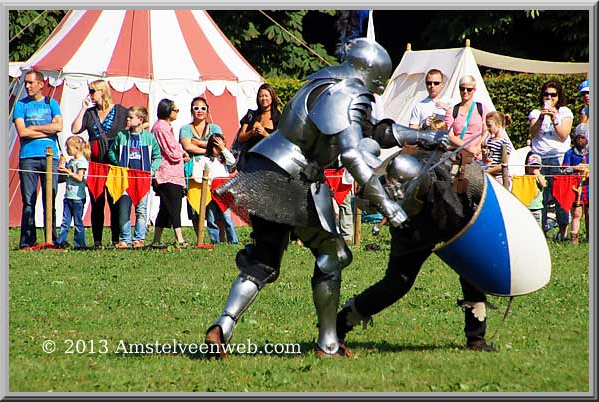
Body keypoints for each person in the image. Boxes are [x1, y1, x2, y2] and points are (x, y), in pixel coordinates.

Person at [205, 37, 448, 358]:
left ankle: (222, 326)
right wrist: (389, 206)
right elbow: (353, 154)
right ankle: (328, 343)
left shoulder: (322, 82)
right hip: (295, 176)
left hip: (265, 164)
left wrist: (425, 136)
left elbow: (373, 131)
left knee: (264, 261)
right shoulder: (348, 92)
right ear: (371, 71)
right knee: (331, 256)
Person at [336, 117, 496, 353]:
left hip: (450, 223)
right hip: (414, 231)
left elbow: (480, 197)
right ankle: (338, 325)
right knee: (396, 284)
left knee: (470, 274)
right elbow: (365, 199)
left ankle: (476, 340)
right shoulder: (401, 163)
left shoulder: (462, 164)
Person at [71, 79, 129, 248]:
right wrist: (83, 107)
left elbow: (140, 121)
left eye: (92, 91)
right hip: (95, 164)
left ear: (102, 92)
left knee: (115, 202)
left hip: (113, 164)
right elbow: (75, 129)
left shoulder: (120, 111)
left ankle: (116, 239)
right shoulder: (90, 113)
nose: (90, 94)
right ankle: (97, 241)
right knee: (97, 202)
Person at [13, 70, 63, 249]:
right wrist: (47, 129)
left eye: (31, 83)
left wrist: (35, 127)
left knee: (50, 197)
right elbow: (22, 131)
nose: (27, 86)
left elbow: (59, 126)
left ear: (41, 84)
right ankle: (27, 240)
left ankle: (52, 238)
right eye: (25, 83)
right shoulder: (20, 105)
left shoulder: (51, 103)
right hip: (28, 157)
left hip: (50, 156)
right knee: (29, 200)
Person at [108, 106, 162, 248]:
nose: (127, 119)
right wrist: (118, 164)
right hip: (125, 179)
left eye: (131, 117)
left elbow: (157, 156)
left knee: (141, 210)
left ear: (140, 120)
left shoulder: (149, 138)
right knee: (124, 210)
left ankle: (139, 238)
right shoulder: (122, 136)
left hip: (142, 179)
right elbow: (111, 153)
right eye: (128, 117)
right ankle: (125, 239)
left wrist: (152, 170)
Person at [528, 80, 573, 240]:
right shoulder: (535, 113)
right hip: (539, 159)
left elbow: (563, 135)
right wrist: (541, 117)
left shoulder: (564, 112)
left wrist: (554, 118)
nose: (549, 97)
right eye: (546, 94)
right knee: (540, 199)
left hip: (559, 158)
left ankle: (563, 232)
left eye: (553, 95)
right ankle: (541, 233)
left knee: (561, 197)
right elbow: (533, 133)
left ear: (558, 96)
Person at [179, 96, 223, 237]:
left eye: (203, 108)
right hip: (193, 172)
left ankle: (221, 237)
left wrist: (197, 143)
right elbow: (187, 146)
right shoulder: (185, 128)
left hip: (213, 170)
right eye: (196, 108)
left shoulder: (215, 127)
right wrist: (208, 149)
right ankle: (200, 238)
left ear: (207, 111)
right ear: (191, 111)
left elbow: (219, 146)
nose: (199, 111)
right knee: (194, 207)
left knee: (215, 206)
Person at [150, 99, 190, 247]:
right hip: (168, 174)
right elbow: (171, 152)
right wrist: (182, 154)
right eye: (175, 109)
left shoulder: (165, 127)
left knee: (165, 208)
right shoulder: (161, 128)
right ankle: (179, 238)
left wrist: (181, 152)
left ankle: (156, 240)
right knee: (174, 206)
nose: (177, 112)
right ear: (167, 110)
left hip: (172, 174)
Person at [233, 83, 282, 171]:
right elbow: (240, 138)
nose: (264, 99)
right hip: (249, 161)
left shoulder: (279, 118)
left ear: (272, 97)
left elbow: (280, 144)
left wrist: (264, 133)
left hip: (269, 162)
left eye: (266, 96)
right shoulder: (251, 115)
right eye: (261, 96)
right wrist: (251, 132)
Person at [54, 136, 90, 249]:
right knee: (65, 221)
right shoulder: (71, 161)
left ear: (76, 148)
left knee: (78, 222)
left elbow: (80, 178)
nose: (67, 149)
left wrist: (67, 171)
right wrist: (63, 170)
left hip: (78, 198)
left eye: (68, 147)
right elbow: (67, 177)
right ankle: (60, 242)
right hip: (68, 196)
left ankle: (80, 244)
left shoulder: (82, 162)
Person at [202, 134, 239, 244]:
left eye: (219, 147)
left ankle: (233, 241)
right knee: (211, 218)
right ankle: (215, 241)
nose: (217, 150)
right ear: (210, 147)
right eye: (215, 147)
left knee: (227, 218)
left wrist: (223, 148)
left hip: (223, 192)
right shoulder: (205, 160)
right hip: (210, 192)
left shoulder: (224, 161)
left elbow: (232, 162)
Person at [444, 75, 489, 164]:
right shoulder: (452, 110)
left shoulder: (482, 108)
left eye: (469, 89)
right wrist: (469, 148)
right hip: (458, 156)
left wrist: (477, 147)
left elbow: (486, 130)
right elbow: (450, 135)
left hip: (478, 156)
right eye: (462, 89)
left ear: (474, 90)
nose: (465, 92)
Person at [561, 123, 590, 244]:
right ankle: (574, 240)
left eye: (582, 138)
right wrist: (575, 168)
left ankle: (590, 238)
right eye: (578, 137)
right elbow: (563, 170)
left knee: (590, 214)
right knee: (576, 214)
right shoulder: (570, 153)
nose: (580, 140)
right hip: (575, 188)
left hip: (589, 187)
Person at [482, 111, 514, 187]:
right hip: (489, 177)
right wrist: (484, 153)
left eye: (489, 125)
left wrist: (487, 172)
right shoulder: (489, 140)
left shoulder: (505, 142)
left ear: (499, 124)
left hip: (500, 179)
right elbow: (486, 160)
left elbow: (503, 165)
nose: (488, 128)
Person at [524, 153, 547, 229]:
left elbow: (544, 184)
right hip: (526, 207)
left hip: (536, 208)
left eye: (536, 166)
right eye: (532, 166)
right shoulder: (523, 177)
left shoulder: (541, 177)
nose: (534, 169)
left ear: (540, 168)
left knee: (537, 227)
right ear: (527, 167)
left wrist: (538, 174)